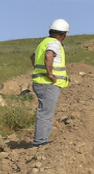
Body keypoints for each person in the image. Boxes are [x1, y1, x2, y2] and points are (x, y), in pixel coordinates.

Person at [29, 19, 70, 147]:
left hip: (40, 82)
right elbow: (49, 55)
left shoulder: (44, 42)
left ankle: (43, 140)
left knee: (45, 112)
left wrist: (39, 70)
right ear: (64, 34)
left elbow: (32, 57)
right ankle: (40, 141)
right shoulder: (54, 43)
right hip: (48, 84)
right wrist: (50, 74)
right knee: (45, 113)